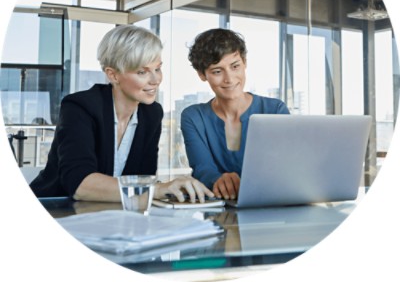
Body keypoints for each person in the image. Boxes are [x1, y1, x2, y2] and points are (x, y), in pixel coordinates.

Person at [30, 25, 214, 204]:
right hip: (54, 208)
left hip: (110, 214)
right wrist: (157, 189)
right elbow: (80, 185)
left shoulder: (151, 113)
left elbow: (144, 179)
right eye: (142, 72)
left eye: (157, 68)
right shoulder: (79, 107)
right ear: (113, 75)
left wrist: (168, 190)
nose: (155, 80)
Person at [181, 28, 289, 201]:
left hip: (270, 205)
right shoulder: (194, 116)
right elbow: (202, 168)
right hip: (218, 211)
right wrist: (218, 180)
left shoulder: (275, 110)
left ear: (244, 63)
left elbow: (284, 167)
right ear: (202, 75)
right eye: (217, 71)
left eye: (235, 66)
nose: (229, 79)